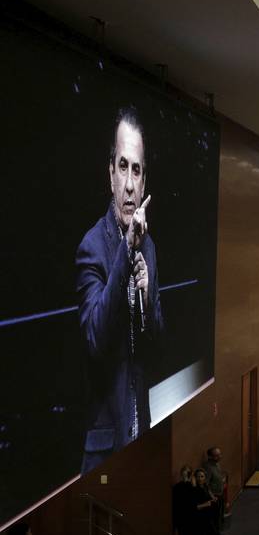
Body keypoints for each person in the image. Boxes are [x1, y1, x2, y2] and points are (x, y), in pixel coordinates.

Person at [76, 106, 164, 472]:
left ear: (144, 182)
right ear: (111, 173)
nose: (129, 184)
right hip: (104, 451)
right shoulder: (93, 246)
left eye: (137, 170)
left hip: (140, 435)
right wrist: (125, 253)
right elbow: (96, 339)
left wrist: (146, 298)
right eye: (123, 167)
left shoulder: (150, 247)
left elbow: (157, 347)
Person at [171, 466, 199, 535]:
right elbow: (194, 502)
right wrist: (193, 485)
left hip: (180, 520)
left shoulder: (176, 487)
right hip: (189, 520)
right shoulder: (191, 488)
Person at [192, 468, 219, 535]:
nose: (200, 478)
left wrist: (213, 498)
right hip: (200, 518)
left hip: (208, 515)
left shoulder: (205, 486)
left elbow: (210, 495)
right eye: (198, 476)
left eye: (202, 476)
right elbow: (194, 506)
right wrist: (205, 504)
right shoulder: (195, 490)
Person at [202, 447, 228, 535]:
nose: (219, 457)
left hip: (219, 495)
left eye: (219, 454)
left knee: (218, 518)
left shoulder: (216, 464)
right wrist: (212, 496)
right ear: (210, 456)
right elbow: (206, 484)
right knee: (212, 520)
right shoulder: (208, 467)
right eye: (216, 455)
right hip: (213, 497)